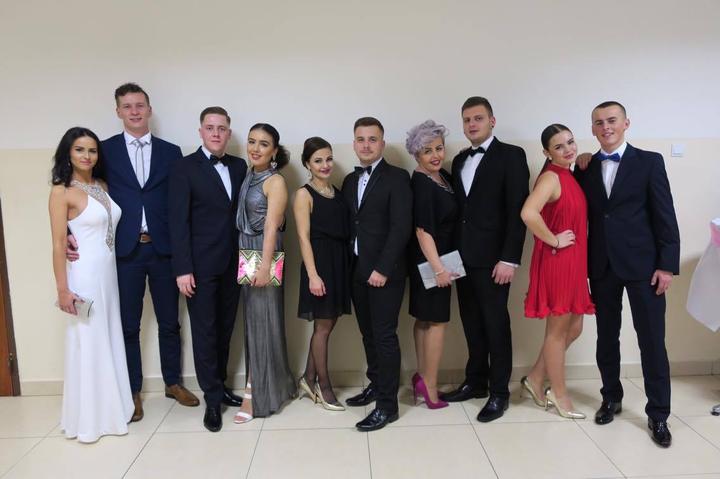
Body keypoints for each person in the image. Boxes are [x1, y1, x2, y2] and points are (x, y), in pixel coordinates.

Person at [574, 101, 680, 447]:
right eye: (598, 122)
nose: (605, 127)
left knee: (652, 341)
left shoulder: (650, 162)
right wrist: (578, 159)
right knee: (607, 337)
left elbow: (665, 214)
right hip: (602, 266)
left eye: (611, 120)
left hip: (644, 267)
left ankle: (658, 414)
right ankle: (611, 397)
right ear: (592, 128)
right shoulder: (585, 167)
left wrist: (666, 265)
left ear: (626, 123)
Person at [99, 83, 197, 420]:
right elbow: (89, 192)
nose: (134, 111)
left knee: (170, 321)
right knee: (128, 325)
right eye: (127, 106)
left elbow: (181, 201)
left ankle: (173, 382)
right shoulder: (104, 151)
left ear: (149, 109)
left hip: (163, 249)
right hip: (125, 251)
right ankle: (132, 391)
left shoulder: (171, 152)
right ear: (118, 112)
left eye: (140, 105)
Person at [443, 97, 529, 423]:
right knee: (471, 322)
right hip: (461, 258)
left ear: (492, 121)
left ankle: (499, 392)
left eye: (478, 118)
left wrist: (509, 259)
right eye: (467, 120)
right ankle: (475, 381)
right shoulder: (459, 160)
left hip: (495, 260)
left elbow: (517, 211)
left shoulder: (512, 155)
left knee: (496, 325)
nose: (472, 124)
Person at [49, 127, 134, 442]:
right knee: (88, 340)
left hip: (108, 275)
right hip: (83, 276)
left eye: (92, 150)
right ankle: (89, 420)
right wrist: (62, 290)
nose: (87, 156)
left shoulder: (102, 185)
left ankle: (113, 409)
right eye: (79, 150)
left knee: (108, 335)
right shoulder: (62, 192)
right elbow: (59, 244)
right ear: (68, 153)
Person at [168, 107, 247, 432]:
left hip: (236, 263)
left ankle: (222, 385)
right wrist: (182, 269)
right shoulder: (184, 167)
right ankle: (212, 399)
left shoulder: (240, 166)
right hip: (199, 266)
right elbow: (177, 222)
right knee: (205, 332)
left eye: (222, 128)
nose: (216, 133)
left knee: (226, 328)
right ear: (200, 132)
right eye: (210, 127)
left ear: (229, 133)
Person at [341, 117, 412, 431]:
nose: (366, 145)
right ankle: (375, 384)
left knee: (384, 337)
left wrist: (382, 268)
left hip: (385, 272)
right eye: (361, 139)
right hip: (357, 270)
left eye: (372, 139)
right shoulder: (349, 181)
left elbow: (401, 228)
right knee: (368, 334)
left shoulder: (397, 177)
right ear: (354, 143)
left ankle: (387, 406)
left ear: (382, 143)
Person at [520, 124, 595, 419]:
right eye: (559, 146)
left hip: (574, 262)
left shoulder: (569, 174)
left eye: (570, 142)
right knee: (557, 331)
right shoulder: (551, 177)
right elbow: (528, 213)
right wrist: (553, 239)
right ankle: (559, 394)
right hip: (558, 261)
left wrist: (586, 158)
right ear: (546, 152)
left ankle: (535, 378)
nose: (568, 149)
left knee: (573, 328)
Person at [234, 123, 295, 424]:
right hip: (247, 249)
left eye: (263, 144)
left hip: (264, 252)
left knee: (265, 321)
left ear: (274, 151)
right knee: (254, 322)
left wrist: (263, 266)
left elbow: (272, 226)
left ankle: (256, 395)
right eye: (252, 142)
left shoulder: (276, 181)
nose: (255, 148)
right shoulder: (250, 174)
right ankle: (272, 386)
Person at [294, 136, 350, 411]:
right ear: (307, 164)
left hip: (339, 263)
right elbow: (303, 238)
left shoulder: (336, 192)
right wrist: (313, 275)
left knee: (329, 323)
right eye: (318, 160)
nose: (325, 165)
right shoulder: (303, 195)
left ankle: (307, 378)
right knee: (323, 327)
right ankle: (323, 386)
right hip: (319, 265)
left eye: (328, 159)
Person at [405, 120, 458, 410]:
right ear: (416, 154)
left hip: (439, 259)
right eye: (427, 151)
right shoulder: (422, 184)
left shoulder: (442, 176)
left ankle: (423, 376)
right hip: (431, 261)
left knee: (426, 319)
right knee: (436, 321)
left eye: (439, 148)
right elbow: (422, 231)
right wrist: (438, 269)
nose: (436, 155)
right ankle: (431, 386)